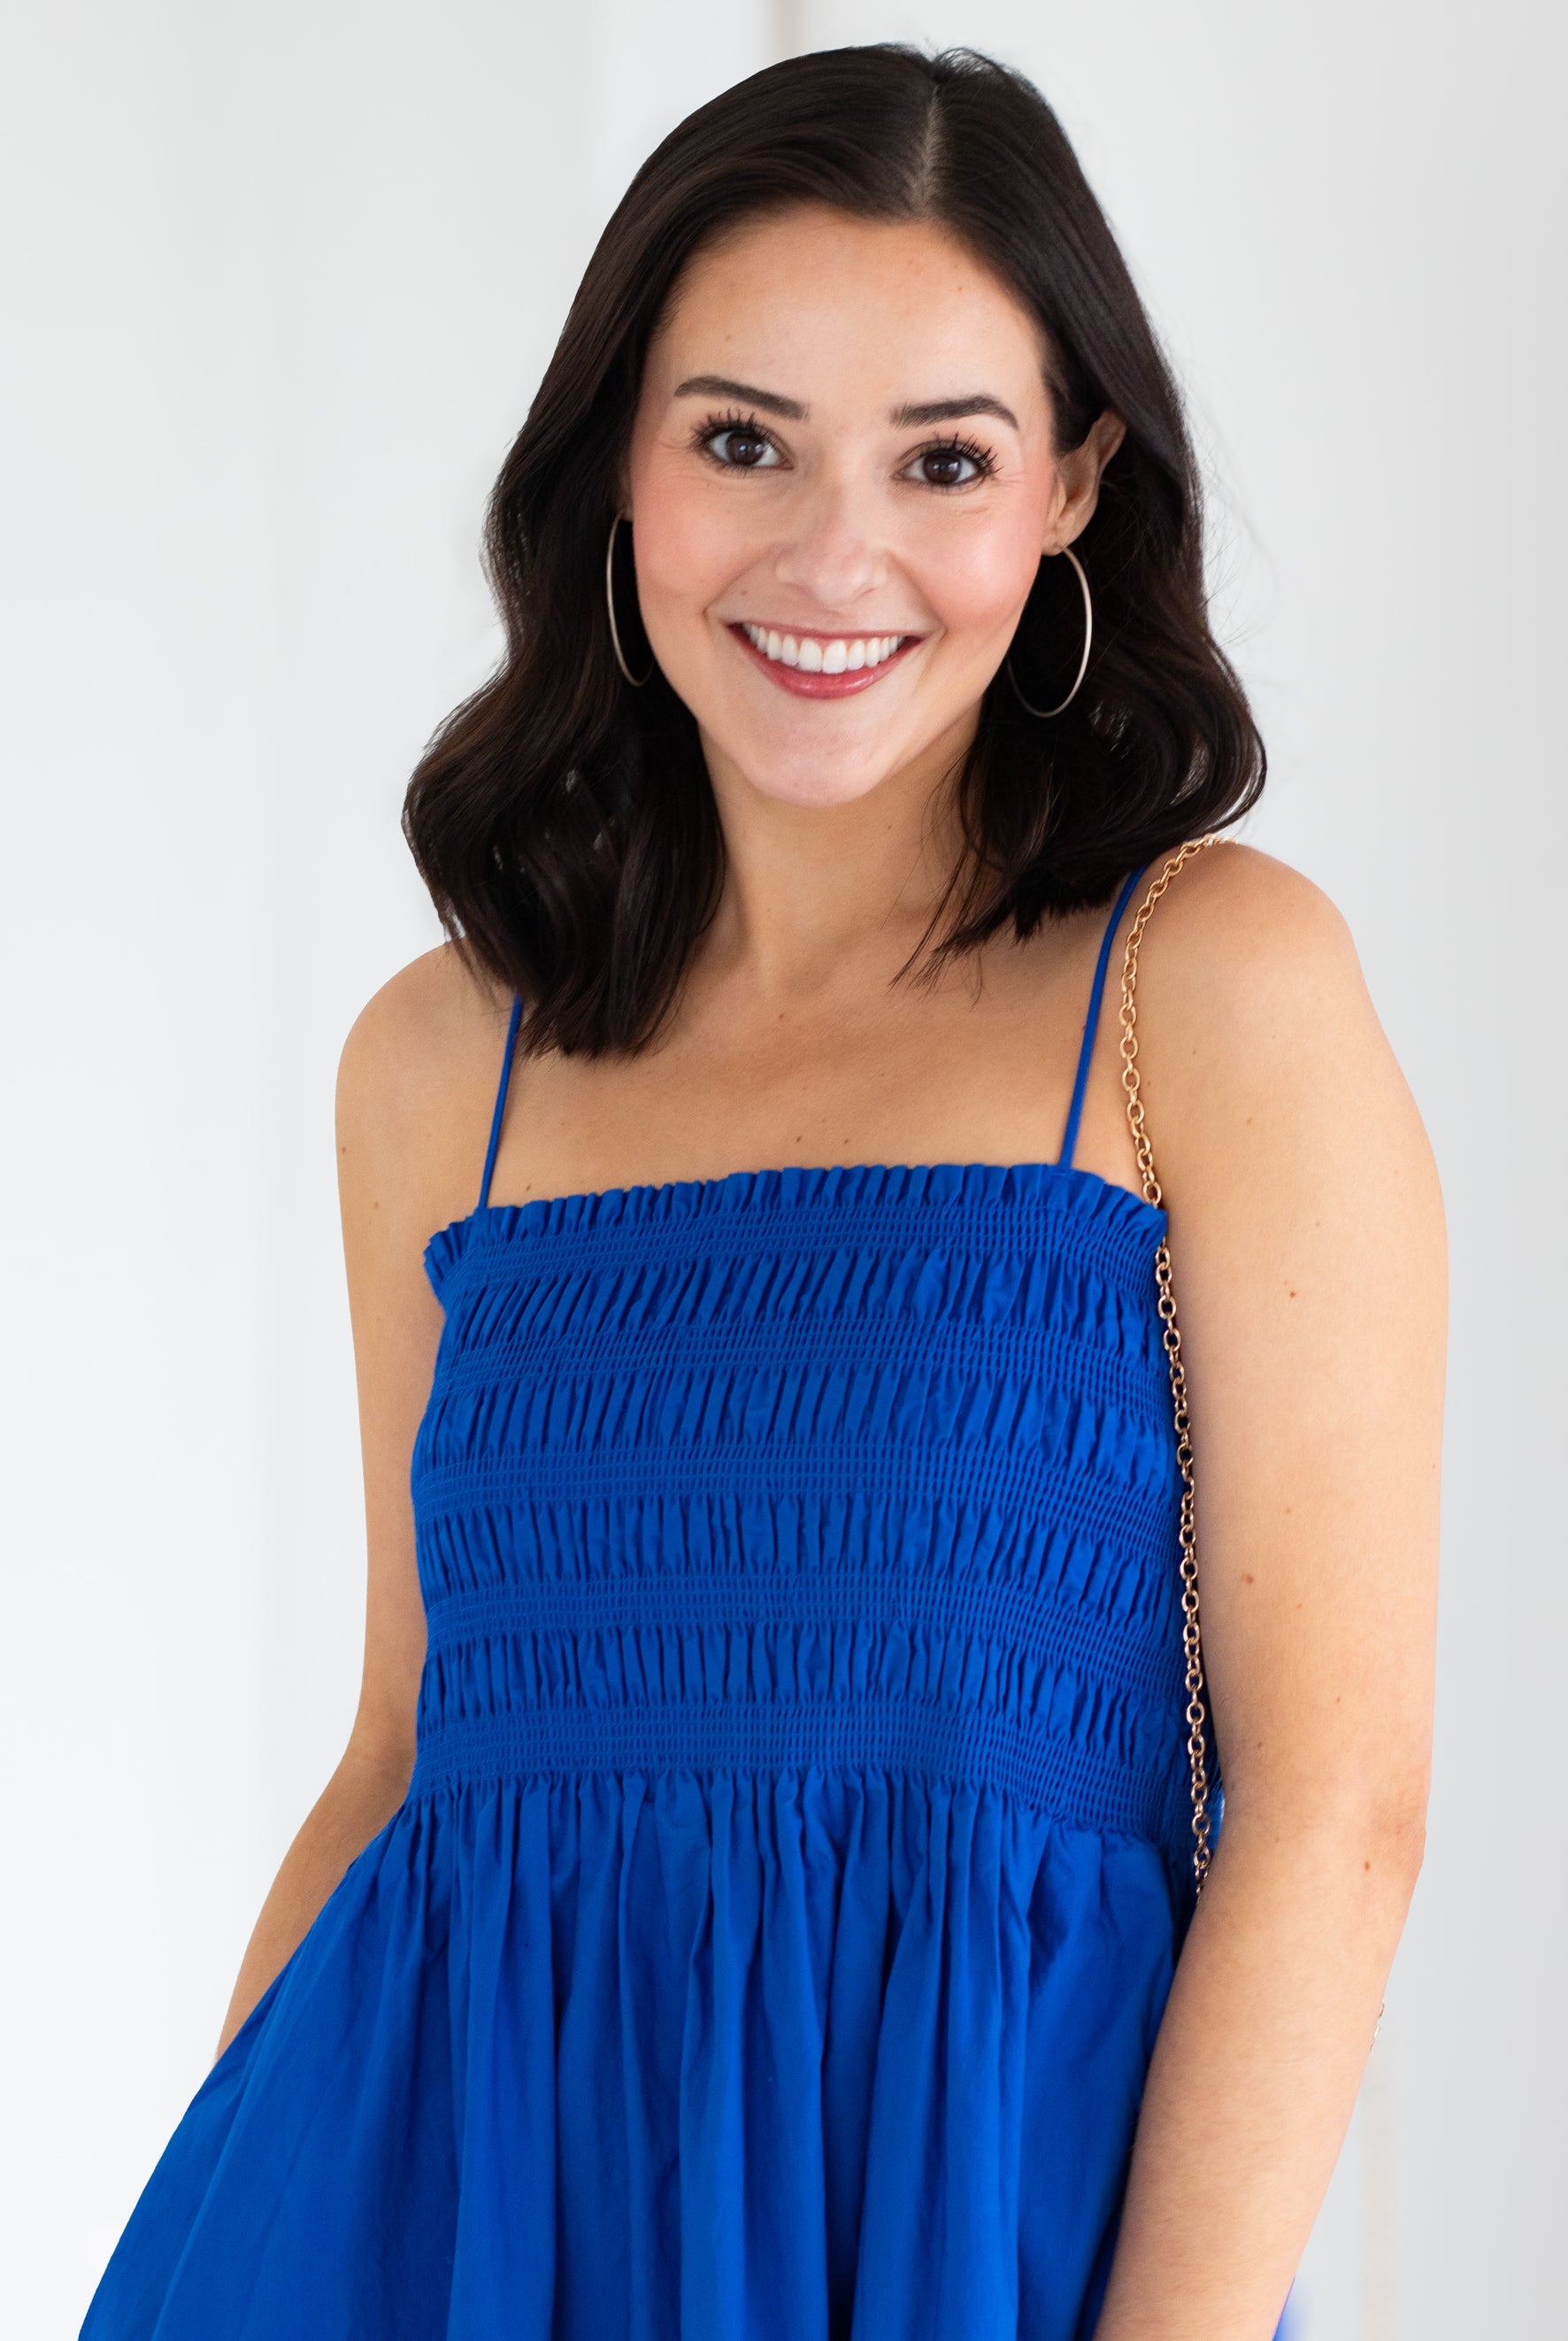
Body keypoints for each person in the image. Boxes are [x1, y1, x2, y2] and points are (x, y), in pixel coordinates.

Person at [80, 42, 1444, 2341]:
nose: (836, 554)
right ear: (620, 459)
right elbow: (406, 1759)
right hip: (438, 2241)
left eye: (941, 458)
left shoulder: (1204, 988)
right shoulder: (444, 1059)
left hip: (965, 2240)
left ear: (1076, 485)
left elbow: (1333, 1812)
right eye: (742, 440)